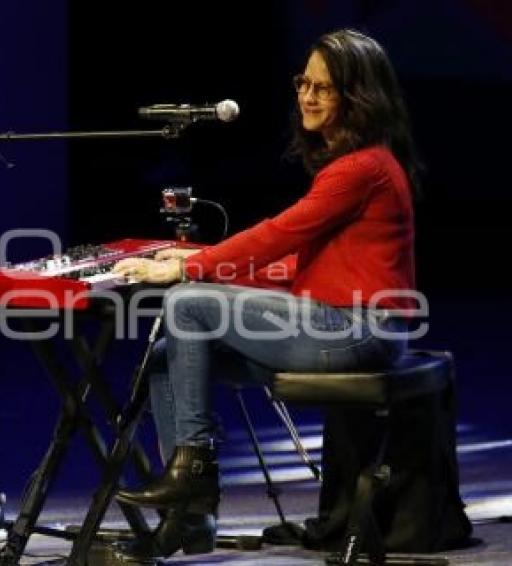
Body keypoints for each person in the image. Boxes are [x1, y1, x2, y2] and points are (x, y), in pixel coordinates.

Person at [110, 28, 421, 560]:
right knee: (167, 358)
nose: (307, 96)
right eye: (304, 82)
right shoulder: (357, 165)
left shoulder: (361, 168)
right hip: (333, 323)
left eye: (324, 88)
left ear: (358, 96)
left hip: (356, 330)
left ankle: (195, 474)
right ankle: (192, 519)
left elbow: (281, 233)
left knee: (185, 303)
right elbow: (296, 265)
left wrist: (193, 270)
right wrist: (199, 261)